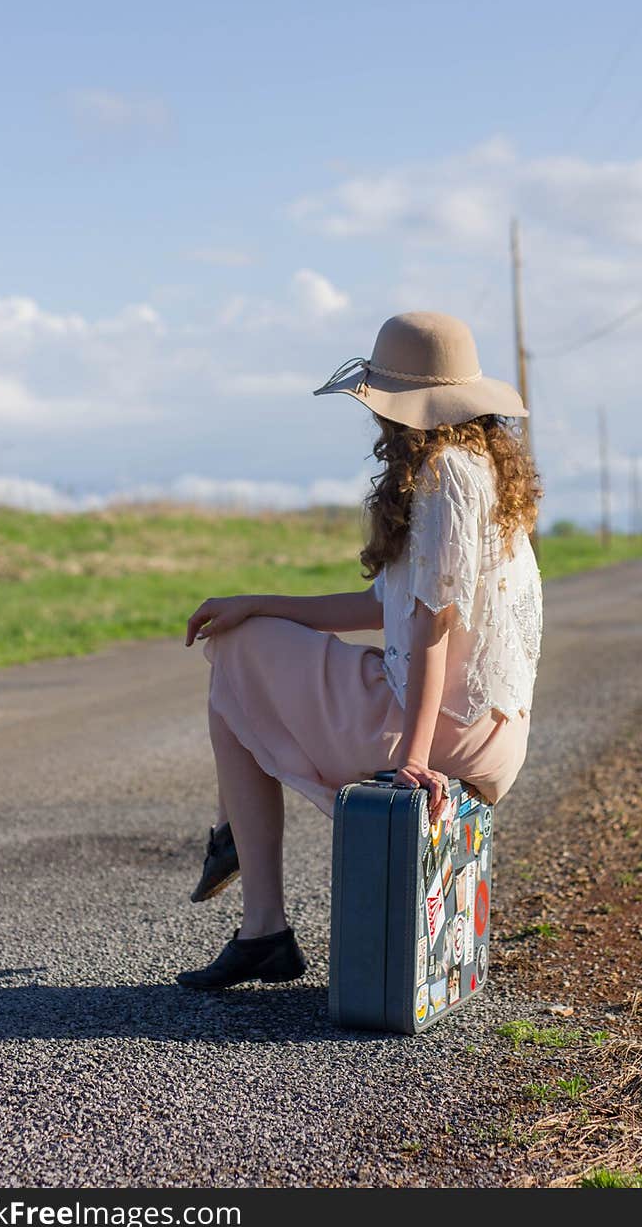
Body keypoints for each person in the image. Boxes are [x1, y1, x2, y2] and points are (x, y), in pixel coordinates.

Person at [176, 310, 543, 990]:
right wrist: (260, 601)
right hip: (486, 725)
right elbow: (386, 609)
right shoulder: (480, 470)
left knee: (233, 656)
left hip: (443, 728)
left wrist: (412, 759)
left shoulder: (443, 477)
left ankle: (256, 907)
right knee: (241, 644)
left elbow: (433, 624)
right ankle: (241, 871)